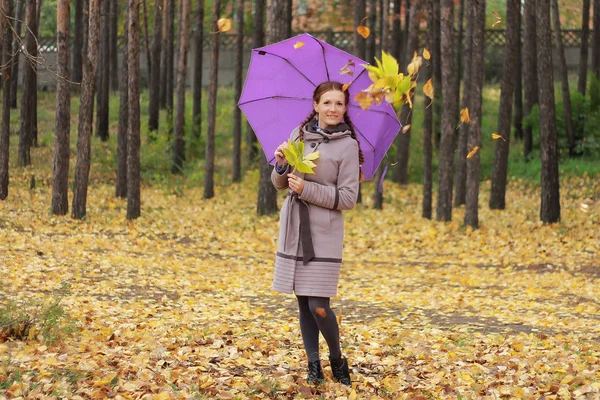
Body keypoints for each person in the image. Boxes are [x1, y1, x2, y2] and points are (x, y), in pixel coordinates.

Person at [271, 81, 364, 386]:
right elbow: (279, 184)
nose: (333, 109)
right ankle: (314, 366)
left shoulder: (349, 145)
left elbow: (348, 198)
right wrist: (282, 166)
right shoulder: (299, 135)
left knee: (319, 305)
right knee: (302, 303)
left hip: (324, 231)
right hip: (295, 227)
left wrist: (307, 189)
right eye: (327, 103)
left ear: (345, 108)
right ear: (315, 105)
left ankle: (337, 359)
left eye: (339, 104)